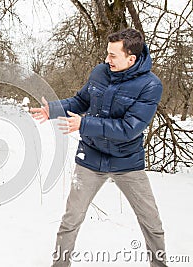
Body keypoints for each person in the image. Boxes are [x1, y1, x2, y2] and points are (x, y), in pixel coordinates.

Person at [31, 28, 167, 266]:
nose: (107, 60)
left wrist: (85, 124)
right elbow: (82, 101)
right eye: (107, 54)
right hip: (91, 158)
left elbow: (129, 128)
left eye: (113, 56)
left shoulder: (150, 85)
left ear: (131, 58)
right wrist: (52, 110)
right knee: (71, 219)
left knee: (151, 222)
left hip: (127, 161)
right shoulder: (100, 72)